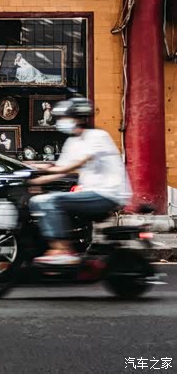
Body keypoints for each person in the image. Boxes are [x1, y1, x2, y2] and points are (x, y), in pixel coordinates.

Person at [28, 97, 133, 265]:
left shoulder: (97, 136)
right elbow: (59, 169)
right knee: (38, 201)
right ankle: (73, 248)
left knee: (48, 201)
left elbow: (75, 165)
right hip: (90, 192)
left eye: (64, 117)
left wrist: (45, 171)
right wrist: (34, 180)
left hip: (107, 194)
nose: (61, 121)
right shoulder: (72, 141)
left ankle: (62, 251)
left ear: (78, 118)